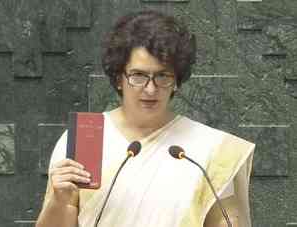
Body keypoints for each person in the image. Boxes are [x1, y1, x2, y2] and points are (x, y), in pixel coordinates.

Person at [36, 10, 255, 227]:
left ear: (177, 81)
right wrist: (59, 200)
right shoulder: (84, 139)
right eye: (138, 75)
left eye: (162, 76)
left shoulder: (212, 150)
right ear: (119, 78)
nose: (150, 89)